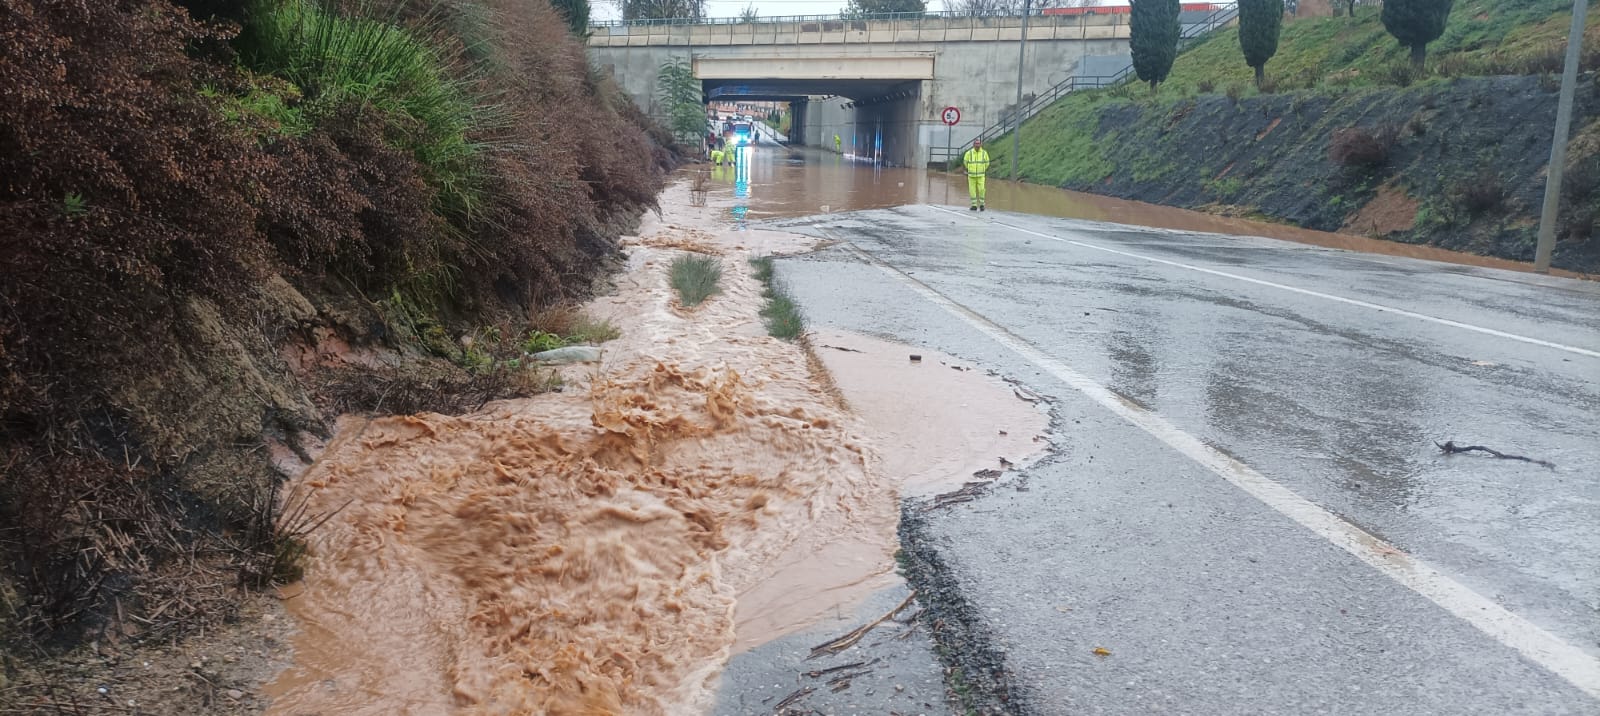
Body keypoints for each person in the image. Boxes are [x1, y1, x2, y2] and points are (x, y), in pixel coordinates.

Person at [962, 139, 991, 211]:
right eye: (976, 144)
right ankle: (974, 205)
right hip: (971, 176)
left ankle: (982, 205)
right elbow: (965, 162)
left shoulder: (984, 153)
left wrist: (983, 169)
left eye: (979, 144)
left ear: (981, 144)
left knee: (982, 190)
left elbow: (987, 163)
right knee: (972, 190)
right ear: (973, 145)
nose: (977, 145)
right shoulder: (969, 153)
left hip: (981, 176)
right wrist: (969, 169)